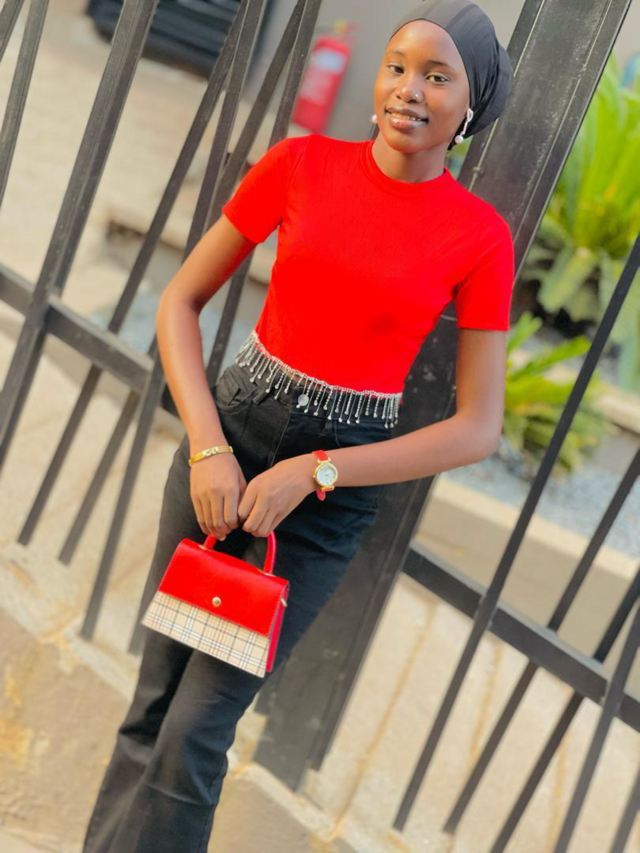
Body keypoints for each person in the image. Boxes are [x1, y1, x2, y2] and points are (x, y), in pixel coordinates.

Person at [81, 1, 515, 850]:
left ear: (472, 106)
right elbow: (179, 301)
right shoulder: (300, 163)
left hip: (323, 501)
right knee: (153, 703)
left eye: (437, 77)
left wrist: (317, 471)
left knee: (196, 732)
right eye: (398, 66)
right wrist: (207, 445)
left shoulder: (479, 237)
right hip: (228, 443)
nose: (409, 89)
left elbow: (477, 428)